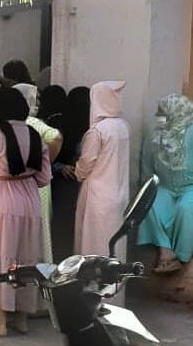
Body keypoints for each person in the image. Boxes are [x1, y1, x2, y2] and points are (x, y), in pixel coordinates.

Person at [0, 88, 50, 336]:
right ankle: (22, 318)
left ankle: (0, 322)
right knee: (25, 257)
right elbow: (44, 178)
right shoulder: (36, 137)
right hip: (29, 202)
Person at [75, 81, 130, 303]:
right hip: (119, 197)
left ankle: (94, 302)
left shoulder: (97, 131)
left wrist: (77, 172)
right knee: (115, 250)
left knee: (94, 249)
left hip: (98, 197)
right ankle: (116, 300)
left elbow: (86, 164)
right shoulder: (124, 127)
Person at [138, 94, 193, 274]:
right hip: (165, 187)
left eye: (163, 112)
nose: (158, 116)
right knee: (151, 203)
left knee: (186, 208)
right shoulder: (154, 136)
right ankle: (166, 253)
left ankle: (183, 256)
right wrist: (146, 189)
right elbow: (147, 169)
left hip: (190, 187)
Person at [14, 83, 63, 264]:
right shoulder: (32, 122)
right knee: (40, 230)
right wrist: (45, 163)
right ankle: (39, 269)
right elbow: (56, 137)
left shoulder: (13, 123)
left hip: (20, 184)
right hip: (38, 184)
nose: (38, 102)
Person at [51, 86, 90, 260]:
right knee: (64, 229)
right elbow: (45, 160)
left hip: (79, 186)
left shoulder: (93, 130)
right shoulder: (58, 127)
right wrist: (61, 167)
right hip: (63, 187)